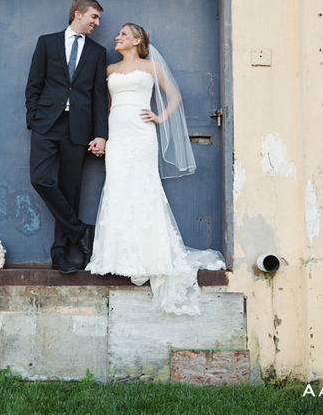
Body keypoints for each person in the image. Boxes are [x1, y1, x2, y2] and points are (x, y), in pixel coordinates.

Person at [86, 23, 226, 315]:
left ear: (137, 40)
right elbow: (105, 107)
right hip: (118, 136)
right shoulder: (109, 70)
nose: (118, 37)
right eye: (119, 34)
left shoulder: (151, 67)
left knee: (144, 189)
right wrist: (104, 138)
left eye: (124, 34)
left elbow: (175, 95)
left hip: (142, 134)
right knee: (118, 189)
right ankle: (119, 256)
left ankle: (150, 254)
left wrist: (159, 116)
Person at [25, 0, 109, 274]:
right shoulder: (47, 42)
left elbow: (98, 96)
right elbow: (34, 84)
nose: (97, 23)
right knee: (40, 178)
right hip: (47, 124)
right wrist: (34, 119)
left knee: (70, 189)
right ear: (78, 14)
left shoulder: (97, 52)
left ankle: (60, 254)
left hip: (79, 127)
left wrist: (101, 134)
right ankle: (80, 231)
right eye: (94, 17)